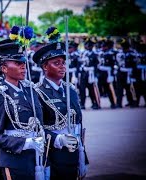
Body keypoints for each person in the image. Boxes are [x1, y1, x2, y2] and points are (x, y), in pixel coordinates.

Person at [0, 40, 45, 179]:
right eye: (18, 63)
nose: (23, 67)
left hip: (36, 158)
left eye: (24, 63)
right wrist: (25, 143)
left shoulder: (30, 90)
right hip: (14, 161)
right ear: (4, 68)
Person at [32, 42, 89, 180]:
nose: (62, 66)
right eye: (56, 63)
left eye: (63, 63)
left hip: (74, 151)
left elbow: (78, 123)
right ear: (45, 66)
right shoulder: (37, 92)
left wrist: (83, 155)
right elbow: (35, 129)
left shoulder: (71, 89)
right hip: (52, 154)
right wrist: (57, 138)